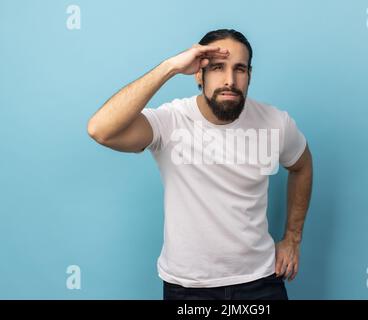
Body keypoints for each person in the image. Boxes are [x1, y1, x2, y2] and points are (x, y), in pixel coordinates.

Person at [87, 29, 313, 300]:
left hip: (260, 283)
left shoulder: (276, 123)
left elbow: (302, 166)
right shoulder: (170, 121)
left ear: (249, 75)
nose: (230, 80)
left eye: (239, 69)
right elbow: (101, 130)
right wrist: (170, 67)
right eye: (218, 68)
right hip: (188, 289)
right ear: (198, 73)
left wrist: (292, 238)